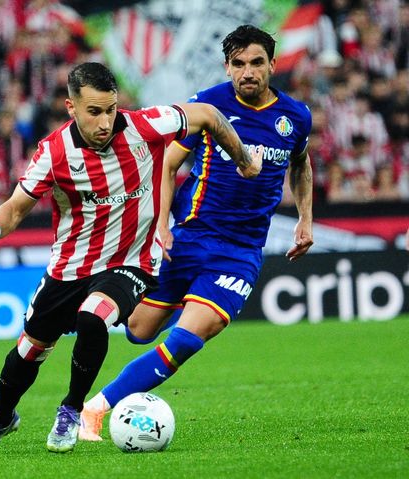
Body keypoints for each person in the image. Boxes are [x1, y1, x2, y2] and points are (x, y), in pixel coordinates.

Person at [0, 61, 263, 456]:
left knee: (94, 315)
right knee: (27, 352)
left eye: (111, 109)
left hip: (132, 262)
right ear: (71, 107)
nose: (105, 122)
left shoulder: (145, 126)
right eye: (94, 112)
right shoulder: (54, 153)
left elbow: (207, 114)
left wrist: (242, 159)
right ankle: (1, 419)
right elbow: (16, 208)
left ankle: (70, 409)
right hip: (70, 266)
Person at [78, 25, 314, 441]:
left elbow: (301, 163)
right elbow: (168, 164)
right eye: (238, 64)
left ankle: (95, 408)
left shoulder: (295, 117)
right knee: (139, 330)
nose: (248, 72)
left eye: (256, 62)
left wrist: (305, 218)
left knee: (186, 340)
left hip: (240, 252)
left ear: (273, 64)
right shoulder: (208, 105)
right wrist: (161, 226)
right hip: (189, 237)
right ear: (227, 67)